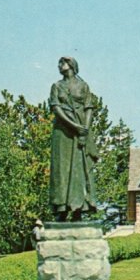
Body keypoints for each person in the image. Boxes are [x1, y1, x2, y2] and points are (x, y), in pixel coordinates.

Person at [49, 57, 99, 221]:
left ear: (71, 66)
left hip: (80, 131)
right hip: (63, 132)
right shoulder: (56, 86)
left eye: (62, 63)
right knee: (61, 170)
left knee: (79, 169)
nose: (59, 66)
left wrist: (84, 129)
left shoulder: (83, 86)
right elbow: (56, 108)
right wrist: (74, 126)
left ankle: (79, 210)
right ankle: (62, 209)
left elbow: (89, 107)